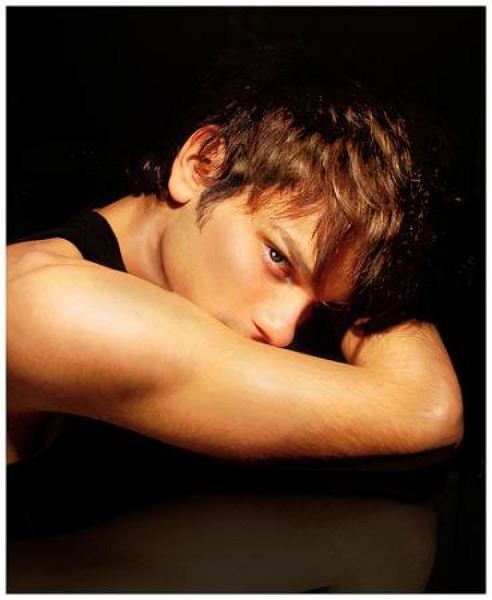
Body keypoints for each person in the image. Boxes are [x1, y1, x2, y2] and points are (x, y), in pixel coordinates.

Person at [7, 62, 463, 469]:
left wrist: (373, 268)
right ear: (203, 164)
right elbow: (427, 409)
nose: (282, 331)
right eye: (278, 258)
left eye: (321, 307)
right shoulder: (47, 301)